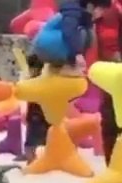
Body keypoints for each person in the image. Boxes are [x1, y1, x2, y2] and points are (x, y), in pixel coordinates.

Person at [85, 0, 121, 162]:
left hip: (109, 69)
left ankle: (112, 159)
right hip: (108, 71)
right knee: (109, 115)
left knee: (110, 115)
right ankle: (112, 160)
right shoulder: (102, 13)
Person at [32, 0, 92, 76]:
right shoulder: (73, 12)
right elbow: (69, 30)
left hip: (43, 46)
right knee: (84, 34)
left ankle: (58, 71)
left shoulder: (69, 11)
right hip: (51, 45)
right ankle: (69, 69)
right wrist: (78, 54)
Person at [19, 53, 49, 162]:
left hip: (38, 114)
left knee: (32, 140)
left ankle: (31, 159)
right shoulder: (42, 80)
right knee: (35, 138)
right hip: (38, 114)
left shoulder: (35, 81)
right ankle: (31, 157)